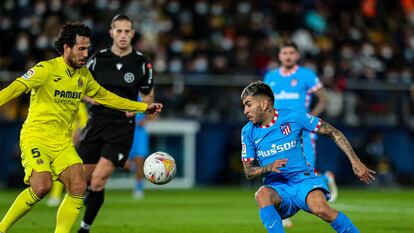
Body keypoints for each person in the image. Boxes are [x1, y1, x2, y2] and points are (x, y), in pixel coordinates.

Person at [0, 22, 162, 233]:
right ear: (67, 48)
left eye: (88, 48)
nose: (86, 54)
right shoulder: (45, 69)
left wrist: (143, 107)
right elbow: (14, 89)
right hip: (36, 137)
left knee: (77, 186)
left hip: (63, 143)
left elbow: (109, 98)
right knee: (42, 187)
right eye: (81, 48)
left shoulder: (83, 76)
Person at [240, 81, 375, 233]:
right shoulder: (247, 132)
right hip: (277, 188)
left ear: (264, 104)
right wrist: (268, 168)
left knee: (322, 209)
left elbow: (333, 132)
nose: (245, 110)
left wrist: (355, 161)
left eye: (248, 104)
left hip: (303, 181)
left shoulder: (293, 116)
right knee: (262, 195)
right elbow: (249, 172)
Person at [76, 14, 155, 233]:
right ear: (111, 33)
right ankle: (90, 195)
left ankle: (84, 228)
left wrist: (139, 110)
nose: (122, 35)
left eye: (127, 31)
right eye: (118, 31)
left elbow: (148, 96)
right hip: (96, 122)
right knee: (82, 180)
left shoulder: (142, 63)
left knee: (99, 180)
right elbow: (78, 87)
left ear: (132, 33)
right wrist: (90, 98)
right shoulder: (97, 59)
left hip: (122, 126)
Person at [263, 41, 335, 227]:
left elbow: (323, 97)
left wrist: (310, 119)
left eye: (291, 52)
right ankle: (283, 212)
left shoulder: (306, 75)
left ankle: (326, 178)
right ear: (279, 56)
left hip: (302, 132)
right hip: (278, 133)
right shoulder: (270, 77)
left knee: (306, 170)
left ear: (297, 56)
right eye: (284, 52)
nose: (288, 56)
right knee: (279, 170)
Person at [46, 102, 89, 207]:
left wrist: (79, 133)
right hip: (55, 138)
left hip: (70, 139)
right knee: (59, 168)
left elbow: (84, 121)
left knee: (72, 167)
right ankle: (59, 195)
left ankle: (76, 192)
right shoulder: (55, 100)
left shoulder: (75, 100)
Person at [125, 109, 152, 199]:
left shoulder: (144, 96)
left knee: (139, 161)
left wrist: (145, 120)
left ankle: (139, 189)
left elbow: (153, 115)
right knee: (123, 163)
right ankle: (139, 171)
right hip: (126, 133)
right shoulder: (124, 96)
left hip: (139, 133)